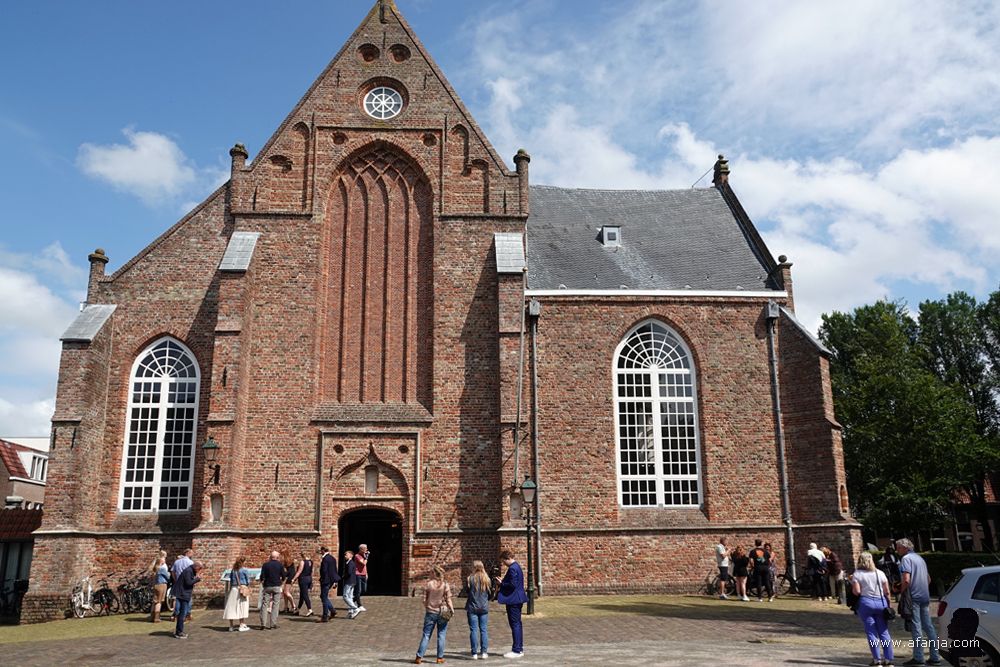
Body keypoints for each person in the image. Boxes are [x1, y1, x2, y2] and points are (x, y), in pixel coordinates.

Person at [896, 538, 942, 666]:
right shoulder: (920, 559)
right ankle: (935, 656)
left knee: (916, 627)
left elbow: (906, 580)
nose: (897, 550)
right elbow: (928, 579)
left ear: (905, 548)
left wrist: (901, 592)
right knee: (928, 626)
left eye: (898, 547)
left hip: (913, 597)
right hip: (924, 596)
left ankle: (918, 657)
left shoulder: (906, 559)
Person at [850, 551, 894, 667]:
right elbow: (887, 591)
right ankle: (889, 660)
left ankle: (877, 660)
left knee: (871, 632)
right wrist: (888, 605)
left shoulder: (857, 574)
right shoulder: (880, 573)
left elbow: (857, 591)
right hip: (881, 602)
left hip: (866, 603)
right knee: (884, 632)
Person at [414, 565, 454, 665]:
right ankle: (439, 658)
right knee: (441, 634)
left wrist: (427, 605)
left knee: (426, 635)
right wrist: (452, 610)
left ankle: (419, 657)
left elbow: (423, 600)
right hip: (442, 612)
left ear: (434, 574)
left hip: (430, 612)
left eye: (431, 572)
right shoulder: (445, 585)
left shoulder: (429, 584)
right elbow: (449, 599)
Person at [495, 548, 528, 659]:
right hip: (517, 599)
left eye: (504, 561)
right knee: (517, 624)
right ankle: (519, 648)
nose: (503, 564)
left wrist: (502, 583)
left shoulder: (513, 568)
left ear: (507, 558)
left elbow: (513, 584)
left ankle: (517, 650)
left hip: (514, 600)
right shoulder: (517, 567)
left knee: (515, 624)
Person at [466, 560, 491, 660]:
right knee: (484, 630)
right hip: (484, 607)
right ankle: (484, 652)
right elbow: (490, 594)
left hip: (472, 607)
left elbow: (467, 592)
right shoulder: (487, 579)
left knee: (473, 630)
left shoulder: (470, 579)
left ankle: (474, 653)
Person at [173, 561, 203, 639]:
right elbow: (188, 583)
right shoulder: (188, 571)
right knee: (183, 613)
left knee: (182, 613)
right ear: (196, 567)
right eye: (199, 569)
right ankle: (179, 632)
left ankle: (178, 631)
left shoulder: (190, 570)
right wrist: (197, 579)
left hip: (183, 593)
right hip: (183, 594)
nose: (199, 571)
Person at [223, 557, 251, 632]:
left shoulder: (233, 570)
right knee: (242, 607)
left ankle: (231, 626)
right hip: (242, 589)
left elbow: (231, 581)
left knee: (231, 607)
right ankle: (241, 625)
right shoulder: (244, 570)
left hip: (233, 589)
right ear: (243, 562)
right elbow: (248, 581)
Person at [259, 550, 285, 630]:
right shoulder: (280, 565)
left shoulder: (265, 565)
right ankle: (273, 623)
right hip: (276, 585)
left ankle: (263, 623)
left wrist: (262, 582)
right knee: (275, 605)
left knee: (264, 604)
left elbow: (262, 576)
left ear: (271, 557)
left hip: (267, 586)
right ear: (277, 557)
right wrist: (281, 582)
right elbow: (283, 576)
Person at [170, 548, 194, 622]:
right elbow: (192, 573)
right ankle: (187, 614)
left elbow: (173, 572)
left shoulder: (177, 562)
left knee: (178, 599)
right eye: (191, 553)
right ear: (187, 553)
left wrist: (176, 579)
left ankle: (176, 614)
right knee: (188, 598)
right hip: (187, 582)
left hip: (178, 582)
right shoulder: (190, 562)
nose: (192, 554)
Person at [318, 546, 340, 622]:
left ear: (323, 550)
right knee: (323, 596)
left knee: (324, 598)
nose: (320, 552)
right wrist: (335, 581)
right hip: (331, 580)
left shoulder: (325, 559)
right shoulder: (332, 558)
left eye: (321, 550)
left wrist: (322, 579)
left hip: (326, 581)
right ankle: (332, 610)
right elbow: (334, 570)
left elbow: (324, 570)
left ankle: (325, 616)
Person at [149, 550, 169, 622]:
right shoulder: (162, 569)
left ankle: (152, 616)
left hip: (156, 584)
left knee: (154, 601)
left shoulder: (155, 568)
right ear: (161, 561)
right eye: (163, 559)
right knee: (159, 602)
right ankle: (156, 618)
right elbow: (168, 577)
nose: (164, 560)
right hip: (161, 585)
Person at [342, 550, 361, 619]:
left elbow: (349, 573)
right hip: (352, 581)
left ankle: (355, 608)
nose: (345, 556)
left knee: (345, 596)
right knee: (350, 597)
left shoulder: (350, 563)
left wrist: (343, 577)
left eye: (346, 555)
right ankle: (351, 612)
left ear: (351, 555)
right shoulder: (349, 562)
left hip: (349, 581)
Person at [293, 551, 314, 616]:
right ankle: (298, 609)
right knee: (302, 595)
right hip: (308, 578)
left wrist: (293, 579)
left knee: (305, 595)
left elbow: (299, 572)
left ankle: (309, 609)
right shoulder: (311, 562)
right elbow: (311, 572)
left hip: (303, 579)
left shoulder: (303, 562)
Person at [354, 543, 370, 612]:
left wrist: (366, 573)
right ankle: (359, 605)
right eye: (365, 549)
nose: (366, 550)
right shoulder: (357, 556)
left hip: (363, 574)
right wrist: (366, 557)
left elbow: (365, 566)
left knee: (364, 589)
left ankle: (351, 600)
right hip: (358, 575)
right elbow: (363, 563)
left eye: (366, 548)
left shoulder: (364, 555)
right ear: (361, 549)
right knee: (358, 590)